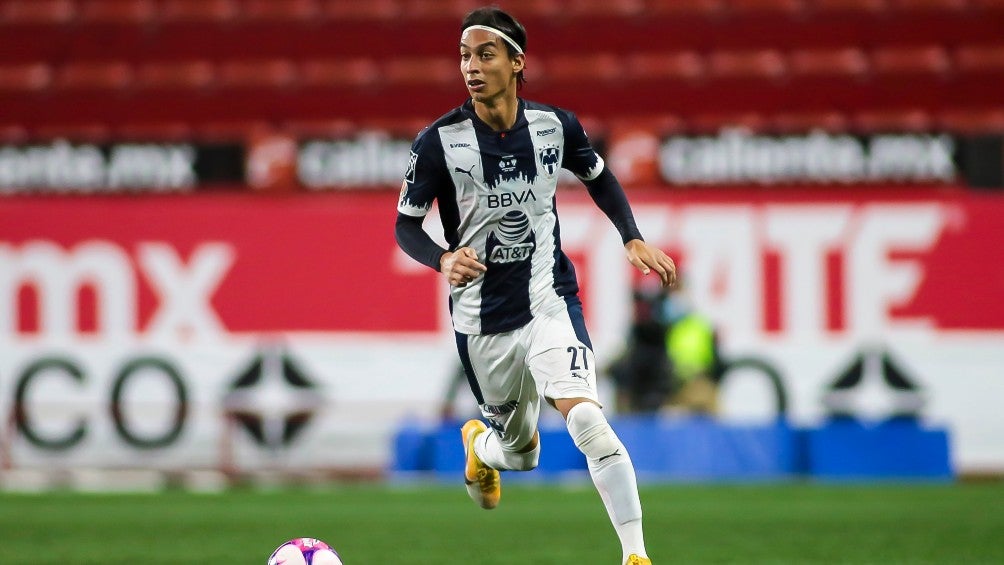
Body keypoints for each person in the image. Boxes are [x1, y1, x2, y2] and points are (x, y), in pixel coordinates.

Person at [394, 8, 676, 565]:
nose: (471, 67)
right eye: (465, 57)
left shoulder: (555, 126)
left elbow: (598, 176)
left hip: (550, 300)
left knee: (587, 418)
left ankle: (636, 555)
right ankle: (482, 446)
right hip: (482, 320)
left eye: (485, 55)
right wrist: (442, 258)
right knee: (522, 455)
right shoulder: (438, 142)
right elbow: (405, 225)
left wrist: (631, 237)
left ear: (517, 62)